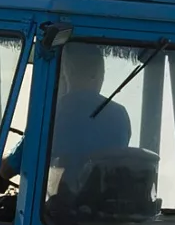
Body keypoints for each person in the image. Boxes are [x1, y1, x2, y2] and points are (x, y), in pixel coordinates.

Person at [48, 42, 132, 199]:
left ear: (67, 72)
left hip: (60, 209)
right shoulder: (119, 115)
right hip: (105, 207)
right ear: (100, 74)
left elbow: (11, 167)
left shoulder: (51, 112)